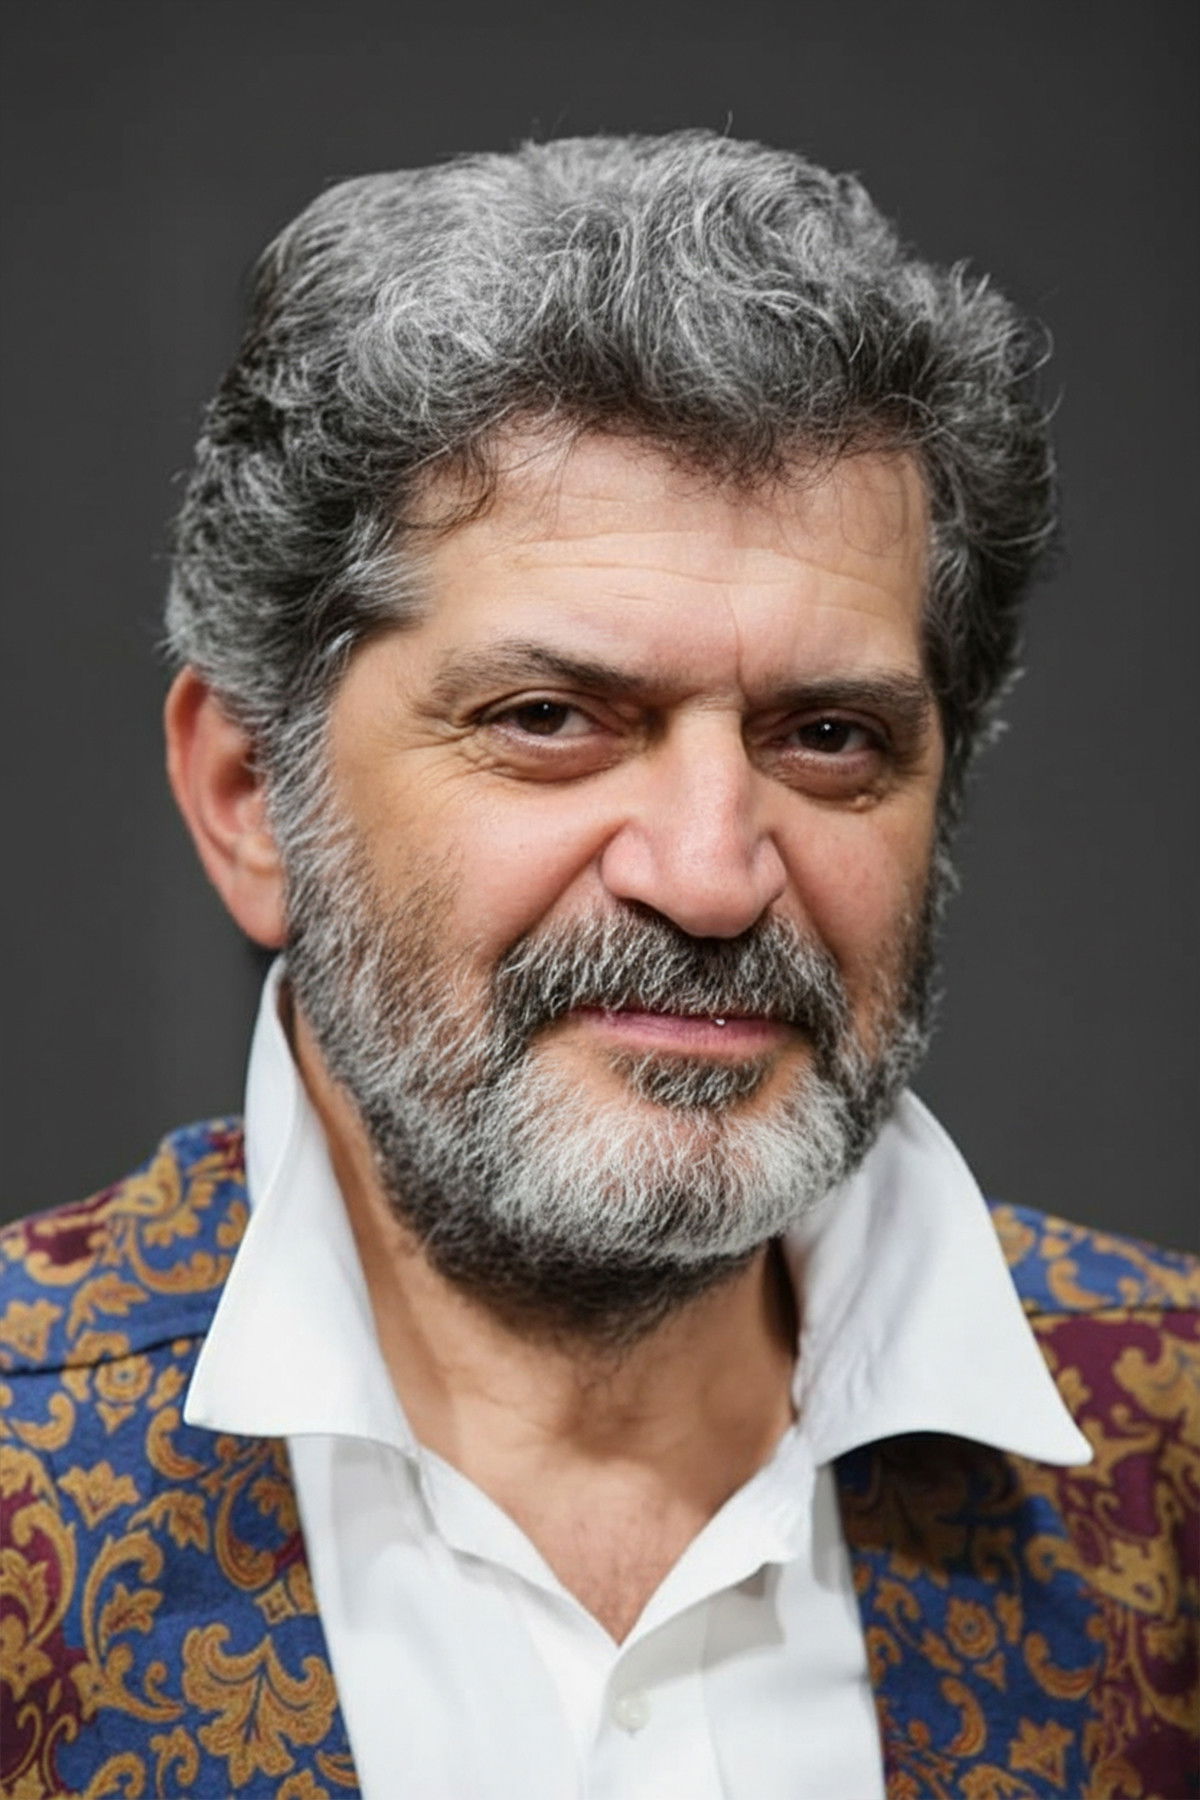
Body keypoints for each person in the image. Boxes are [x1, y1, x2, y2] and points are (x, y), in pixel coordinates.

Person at [1, 132, 1196, 1800]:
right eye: (551, 718)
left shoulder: (1174, 1449)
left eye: (828, 737)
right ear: (250, 795)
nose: (710, 878)